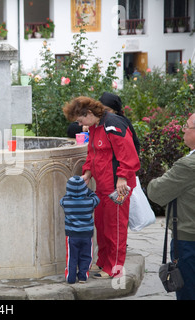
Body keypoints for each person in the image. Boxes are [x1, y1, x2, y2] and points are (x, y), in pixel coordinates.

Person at [63, 96, 140, 279]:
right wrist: (88, 173)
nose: (80, 123)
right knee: (102, 224)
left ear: (88, 113)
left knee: (115, 227)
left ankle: (114, 267)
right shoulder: (95, 126)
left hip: (117, 186)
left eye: (80, 120)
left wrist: (122, 177)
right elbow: (93, 152)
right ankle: (103, 261)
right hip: (103, 185)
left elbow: (128, 153)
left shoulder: (112, 124)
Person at [147, 113, 195, 300]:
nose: (183, 129)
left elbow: (156, 192)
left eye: (187, 126)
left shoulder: (188, 165)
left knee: (188, 291)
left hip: (189, 240)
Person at [60, 175, 100, 284]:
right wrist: (88, 191)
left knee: (72, 257)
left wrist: (71, 193)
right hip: (86, 235)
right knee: (86, 256)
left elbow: (61, 200)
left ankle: (70, 277)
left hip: (72, 236)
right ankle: (83, 277)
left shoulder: (66, 202)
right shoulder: (90, 202)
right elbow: (97, 198)